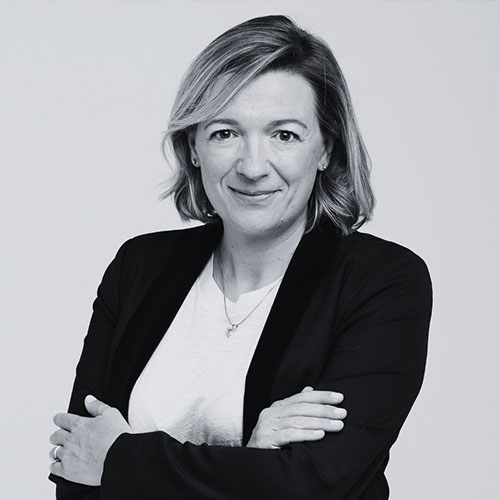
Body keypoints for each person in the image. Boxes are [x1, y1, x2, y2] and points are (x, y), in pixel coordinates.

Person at [48, 14, 432, 500]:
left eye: (284, 135)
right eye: (225, 133)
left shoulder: (382, 282)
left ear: (325, 150)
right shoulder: (139, 266)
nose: (252, 167)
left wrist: (121, 460)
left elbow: (311, 487)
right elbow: (76, 472)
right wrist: (251, 460)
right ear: (193, 146)